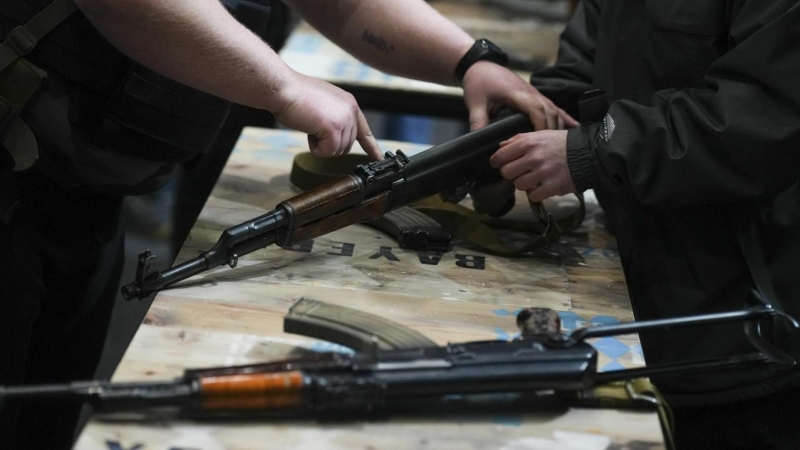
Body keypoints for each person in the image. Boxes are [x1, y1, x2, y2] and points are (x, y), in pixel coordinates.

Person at [0, 0, 575, 448]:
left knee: (45, 418)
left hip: (84, 188)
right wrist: (282, 85)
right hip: (15, 178)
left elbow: (343, 6)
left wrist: (471, 60)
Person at [488, 1, 800, 448]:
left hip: (744, 330)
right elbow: (579, 71)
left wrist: (594, 150)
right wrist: (508, 136)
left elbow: (762, 118)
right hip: (640, 295)